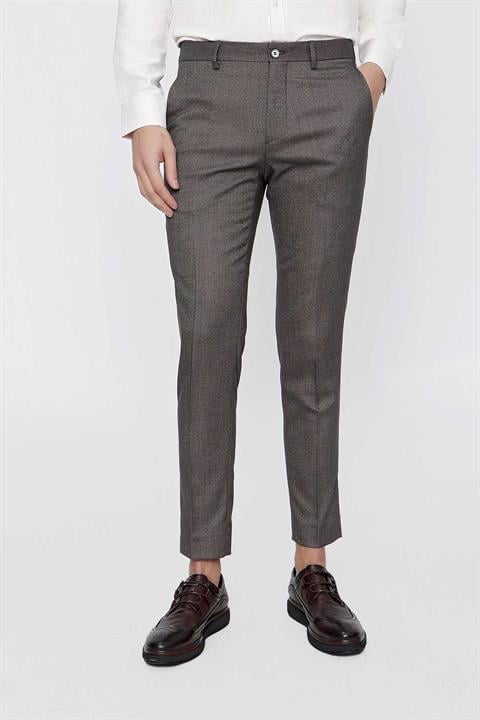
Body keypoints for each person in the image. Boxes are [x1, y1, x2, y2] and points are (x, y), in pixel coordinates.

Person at [113, 0, 406, 666]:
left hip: (327, 89)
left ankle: (312, 568)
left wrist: (370, 77)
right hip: (209, 92)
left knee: (313, 340)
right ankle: (203, 576)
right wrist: (143, 111)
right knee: (208, 336)